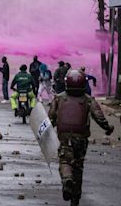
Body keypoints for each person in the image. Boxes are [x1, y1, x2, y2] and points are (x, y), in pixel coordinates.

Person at [49, 70, 114, 206]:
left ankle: (67, 180)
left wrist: (47, 131)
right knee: (78, 166)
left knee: (65, 161)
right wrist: (108, 128)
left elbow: (51, 118)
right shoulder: (88, 100)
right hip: (81, 138)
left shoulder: (59, 98)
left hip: (64, 136)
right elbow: (99, 117)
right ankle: (75, 199)